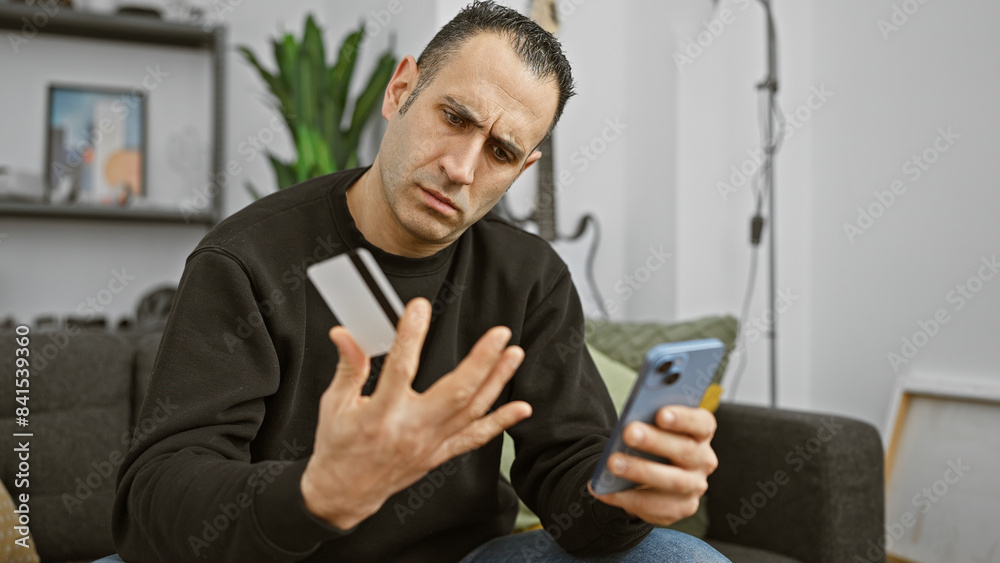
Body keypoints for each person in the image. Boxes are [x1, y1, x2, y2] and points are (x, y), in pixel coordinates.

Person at [104, 2, 728, 561]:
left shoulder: (530, 279)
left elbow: (568, 475)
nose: (461, 168)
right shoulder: (246, 260)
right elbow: (154, 498)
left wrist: (623, 493)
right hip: (285, 553)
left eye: (501, 153)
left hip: (465, 558)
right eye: (454, 117)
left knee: (682, 557)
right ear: (401, 88)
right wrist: (315, 492)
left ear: (523, 168)